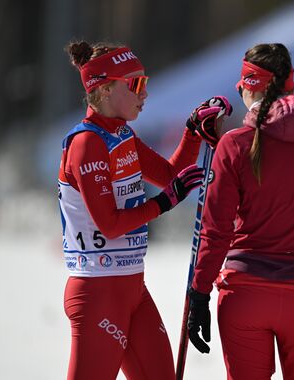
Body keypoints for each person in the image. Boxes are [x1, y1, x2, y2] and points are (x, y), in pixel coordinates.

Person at [186, 43, 294, 380]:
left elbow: (216, 229)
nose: (239, 92)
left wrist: (200, 291)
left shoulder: (235, 143)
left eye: (241, 86)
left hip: (244, 296)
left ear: (251, 86)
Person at [59, 41, 231, 380]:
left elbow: (170, 177)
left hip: (133, 289)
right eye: (136, 84)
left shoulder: (121, 134)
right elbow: (109, 224)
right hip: (98, 293)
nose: (145, 93)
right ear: (106, 89)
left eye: (145, 82)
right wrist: (162, 204)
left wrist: (192, 130)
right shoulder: (87, 143)